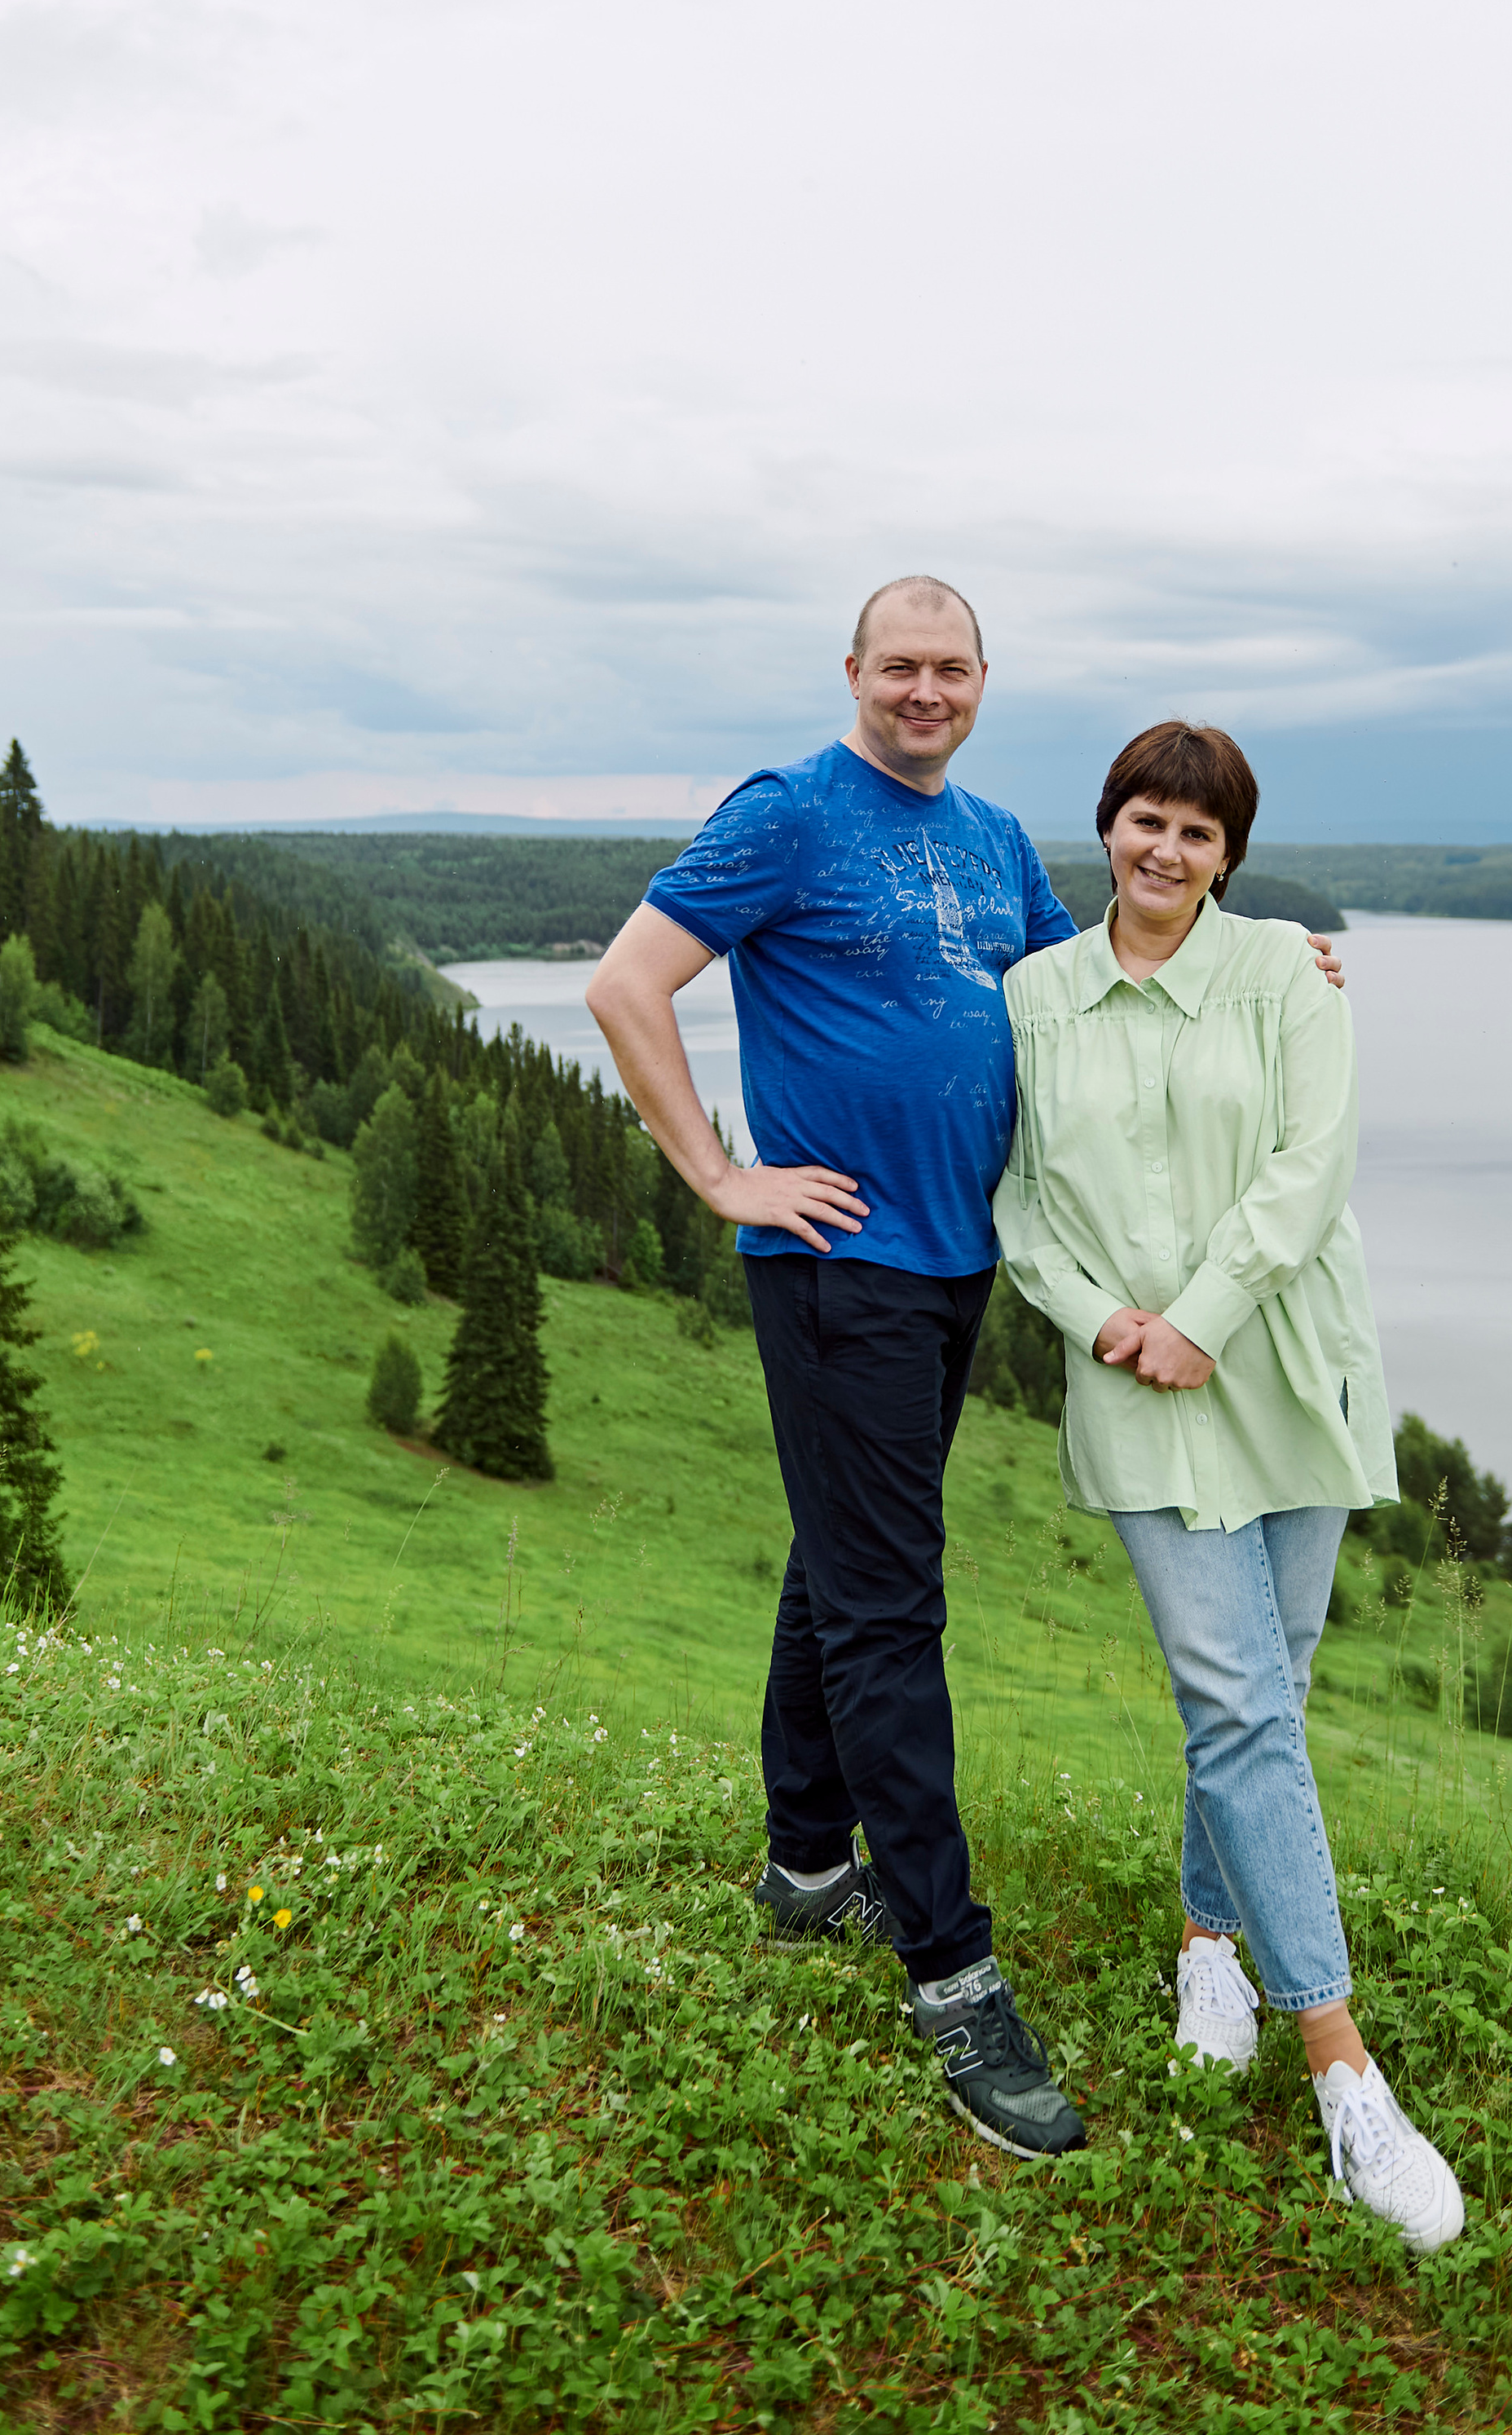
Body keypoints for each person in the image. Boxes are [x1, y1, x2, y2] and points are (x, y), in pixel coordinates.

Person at [588, 580, 1340, 2161]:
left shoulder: (993, 841)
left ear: (983, 683)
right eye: (898, 667)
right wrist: (722, 1178)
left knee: (841, 1563)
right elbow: (624, 985)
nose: (923, 690)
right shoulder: (787, 813)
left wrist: (1267, 969)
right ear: (853, 672)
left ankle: (806, 1865)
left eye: (950, 668)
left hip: (951, 1264)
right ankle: (947, 1968)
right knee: (888, 1606)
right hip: (834, 1267)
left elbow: (1095, 999)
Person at [993, 718, 1466, 2252]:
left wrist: (1203, 1319)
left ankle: (1212, 1935)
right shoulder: (1036, 997)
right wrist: (1108, 1320)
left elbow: (1308, 1167)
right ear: (1109, 827)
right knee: (1240, 1701)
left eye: (1199, 834)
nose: (1167, 852)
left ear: (1229, 856)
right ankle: (1345, 2075)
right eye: (1146, 820)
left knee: (1279, 1680)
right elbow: (1018, 1195)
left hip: (1282, 1374)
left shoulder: (1284, 979)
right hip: (1137, 1395)